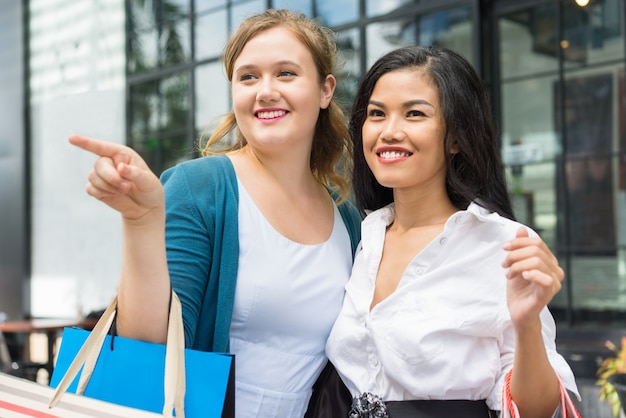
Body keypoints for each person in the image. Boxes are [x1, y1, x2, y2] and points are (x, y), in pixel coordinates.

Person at [69, 9, 362, 417]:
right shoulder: (200, 188)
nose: (265, 91)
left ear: (325, 90)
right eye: (248, 77)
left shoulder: (348, 222)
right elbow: (147, 349)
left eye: (286, 74)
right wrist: (140, 223)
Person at [326, 45, 580, 417]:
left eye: (414, 114)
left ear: (457, 137)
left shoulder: (503, 244)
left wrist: (526, 324)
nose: (389, 131)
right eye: (377, 114)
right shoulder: (365, 236)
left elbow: (538, 409)